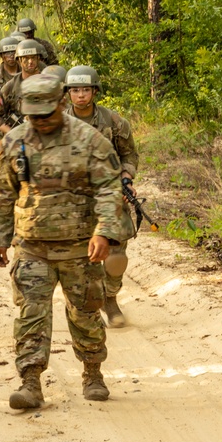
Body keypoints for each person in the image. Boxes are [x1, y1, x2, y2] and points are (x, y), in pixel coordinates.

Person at [0, 74, 126, 410]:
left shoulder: (89, 140)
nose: (39, 121)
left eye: (45, 113)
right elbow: (3, 193)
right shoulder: (14, 142)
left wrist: (104, 231)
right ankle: (31, 382)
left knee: (85, 314)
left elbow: (109, 188)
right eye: (32, 114)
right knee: (30, 315)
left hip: (81, 247)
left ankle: (93, 373)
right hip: (32, 246)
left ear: (61, 104)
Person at [64, 65, 139, 327]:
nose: (81, 95)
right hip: (72, 200)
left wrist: (126, 178)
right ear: (68, 93)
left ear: (95, 91)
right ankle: (84, 308)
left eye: (86, 89)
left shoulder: (113, 121)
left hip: (110, 194)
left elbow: (129, 155)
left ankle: (110, 299)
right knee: (76, 258)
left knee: (116, 258)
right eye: (75, 90)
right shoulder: (57, 122)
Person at [0, 39, 47, 145]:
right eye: (26, 58)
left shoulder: (49, 84)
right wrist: (11, 133)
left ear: (39, 58)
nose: (30, 62)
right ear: (19, 60)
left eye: (33, 57)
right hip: (19, 143)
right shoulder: (10, 87)